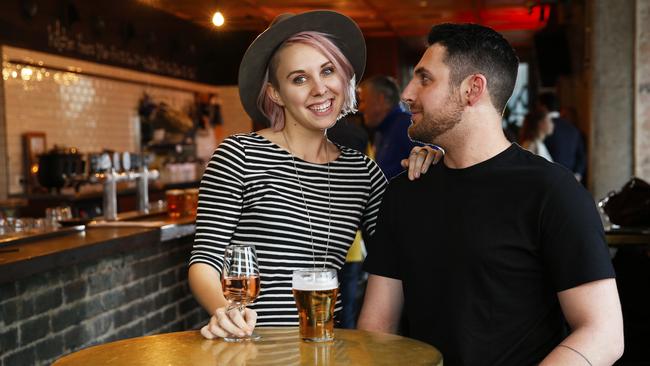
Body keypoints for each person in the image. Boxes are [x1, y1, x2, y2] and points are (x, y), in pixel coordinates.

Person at [357, 23, 624, 365]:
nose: (407, 92)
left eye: (424, 79)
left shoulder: (551, 191)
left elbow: (603, 332)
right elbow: (378, 326)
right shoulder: (405, 192)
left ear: (472, 89)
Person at [189, 10, 438, 341]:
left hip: (320, 346)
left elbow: (402, 251)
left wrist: (434, 167)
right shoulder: (239, 155)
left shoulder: (361, 171)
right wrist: (226, 312)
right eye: (299, 78)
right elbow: (204, 262)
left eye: (327, 70)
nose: (320, 89)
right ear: (276, 93)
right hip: (248, 346)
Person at [358, 75, 420, 179]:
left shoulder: (408, 127)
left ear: (381, 99)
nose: (360, 108)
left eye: (363, 100)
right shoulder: (380, 132)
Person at [539, 92, 586, 182]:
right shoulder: (573, 129)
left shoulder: (541, 128)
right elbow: (581, 157)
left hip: (547, 182)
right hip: (569, 182)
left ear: (542, 107)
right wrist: (577, 174)